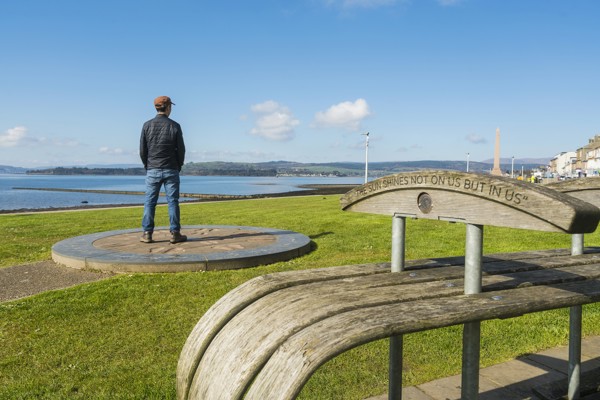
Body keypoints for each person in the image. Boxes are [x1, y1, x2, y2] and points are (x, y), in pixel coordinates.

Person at [139, 96, 187, 244]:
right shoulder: (175, 125)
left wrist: (148, 166)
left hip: (153, 168)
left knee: (149, 202)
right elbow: (181, 150)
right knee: (172, 202)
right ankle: (175, 233)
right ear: (168, 107)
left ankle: (147, 233)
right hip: (171, 168)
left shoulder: (147, 125)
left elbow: (142, 150)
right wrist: (178, 166)